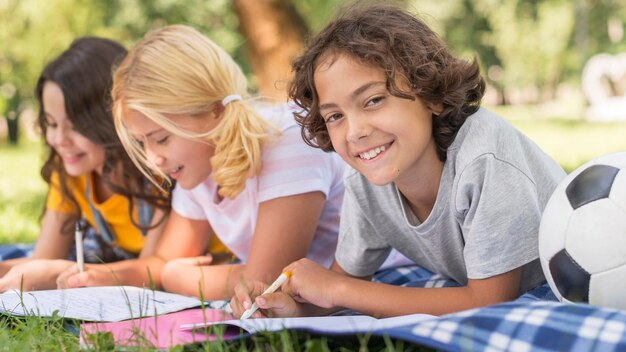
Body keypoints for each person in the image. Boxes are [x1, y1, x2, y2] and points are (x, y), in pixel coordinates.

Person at [230, 4, 566, 318]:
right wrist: (284, 306)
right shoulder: (365, 184)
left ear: (431, 96)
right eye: (335, 116)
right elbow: (337, 291)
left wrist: (338, 288)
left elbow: (488, 303)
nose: (355, 132)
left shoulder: (484, 157)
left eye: (373, 100)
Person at [104, 24, 353, 301]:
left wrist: (177, 278)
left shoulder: (288, 141)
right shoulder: (199, 161)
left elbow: (266, 281)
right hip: (313, 299)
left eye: (161, 139)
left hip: (373, 283)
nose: (153, 159)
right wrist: (95, 275)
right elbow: (164, 261)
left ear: (215, 111)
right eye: (142, 141)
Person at [0, 37, 173, 292]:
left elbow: (151, 275)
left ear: (113, 118)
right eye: (52, 124)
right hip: (105, 262)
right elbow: (43, 259)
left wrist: (64, 273)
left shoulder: (161, 170)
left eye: (76, 126)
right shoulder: (71, 169)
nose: (59, 140)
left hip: (133, 271)